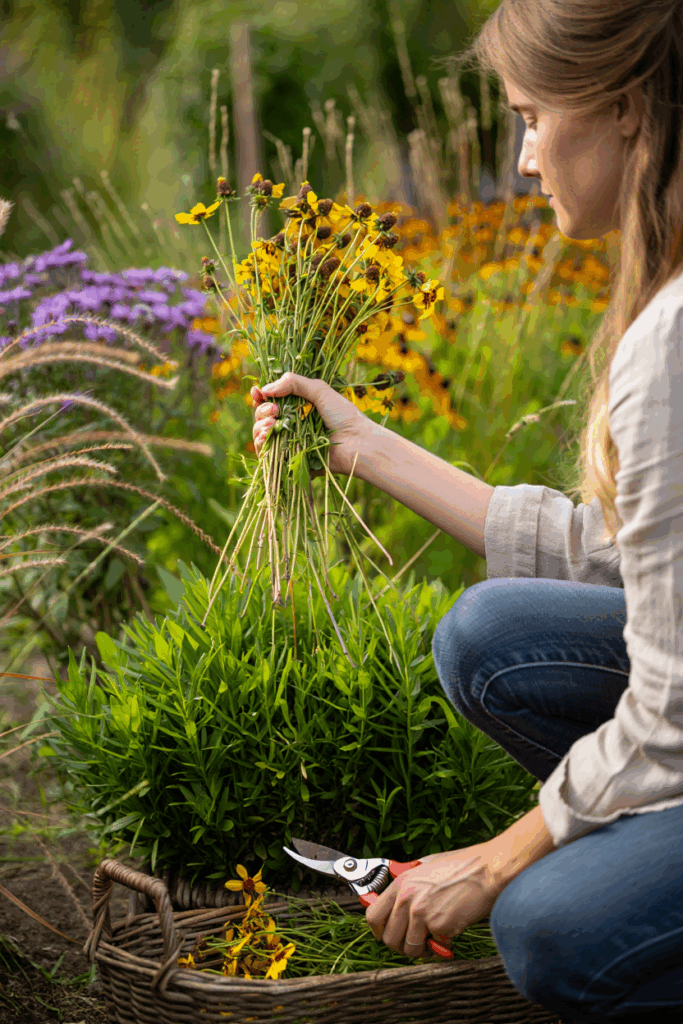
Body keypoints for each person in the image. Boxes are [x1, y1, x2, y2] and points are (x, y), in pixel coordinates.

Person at [251, 1, 683, 1020]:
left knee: (547, 923)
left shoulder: (667, 342)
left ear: (622, 108)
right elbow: (625, 563)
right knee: (491, 633)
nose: (524, 157)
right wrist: (360, 446)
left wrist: (490, 865)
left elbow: (667, 712)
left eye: (531, 116)